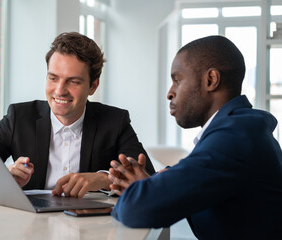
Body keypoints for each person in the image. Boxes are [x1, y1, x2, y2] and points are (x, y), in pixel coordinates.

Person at [108, 35, 282, 239]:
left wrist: (140, 193)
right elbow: (201, 177)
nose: (170, 93)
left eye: (177, 80)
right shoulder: (241, 126)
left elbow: (134, 210)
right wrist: (153, 186)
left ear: (211, 80)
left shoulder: (234, 137)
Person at [0, 32, 155, 198]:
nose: (59, 91)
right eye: (53, 78)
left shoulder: (114, 122)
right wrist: (3, 179)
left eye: (73, 81)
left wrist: (102, 179)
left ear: (93, 86)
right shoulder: (19, 117)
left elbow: (148, 178)